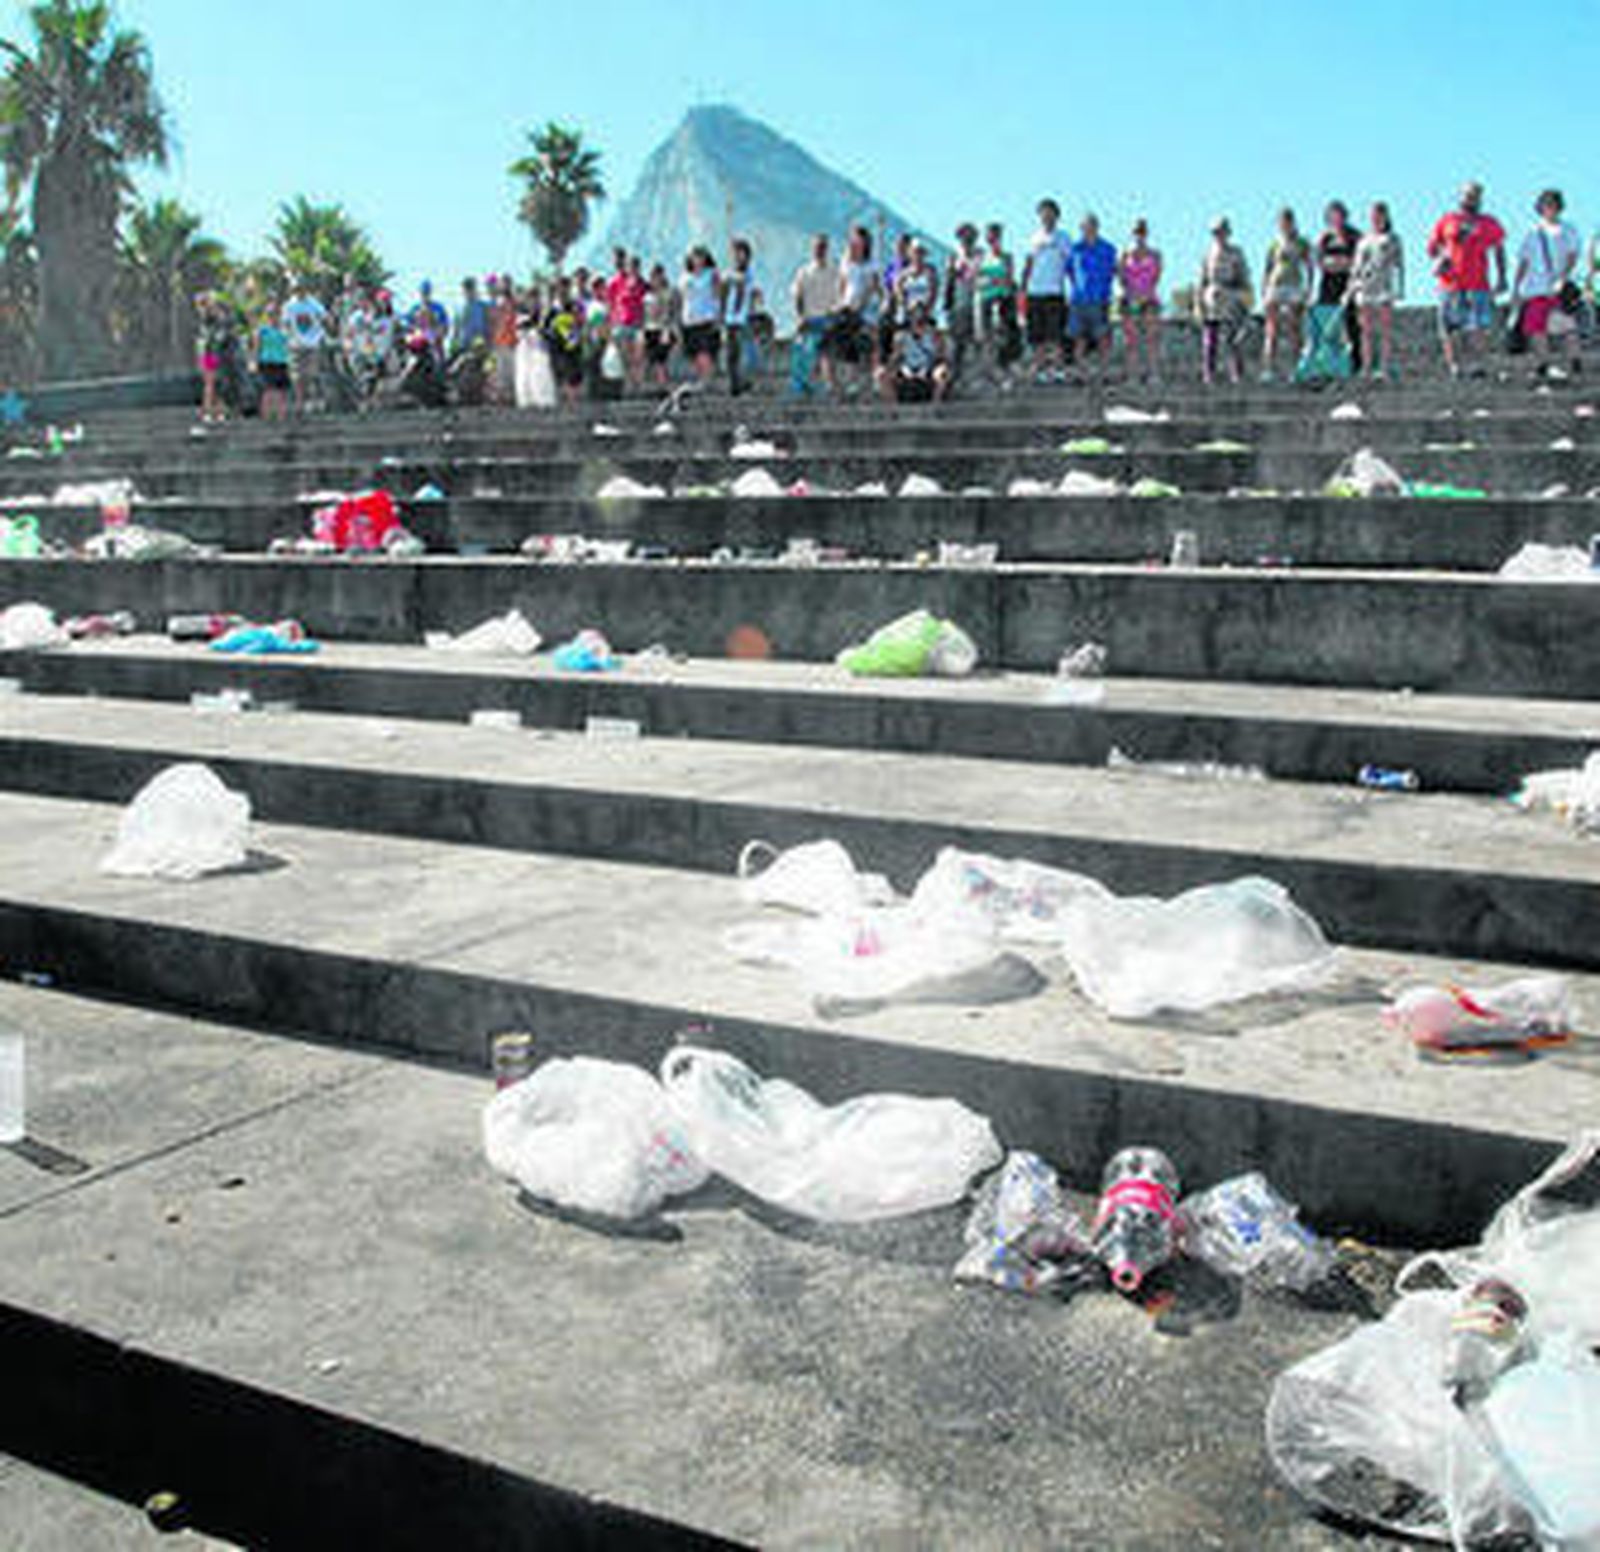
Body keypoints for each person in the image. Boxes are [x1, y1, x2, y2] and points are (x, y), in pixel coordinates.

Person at [1427, 181, 1507, 377]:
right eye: (1468, 194)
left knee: (1477, 327)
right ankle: (1454, 365)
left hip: (1478, 282)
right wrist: (1440, 259)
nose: (1471, 198)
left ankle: (1476, 365)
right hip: (1450, 282)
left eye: (1475, 195)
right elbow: (1432, 247)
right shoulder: (1447, 220)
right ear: (1460, 196)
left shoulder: (1489, 222)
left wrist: (1502, 276)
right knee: (1450, 327)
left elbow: (1499, 249)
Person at [1512, 189, 1583, 379]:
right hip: (1535, 288)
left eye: (1553, 204)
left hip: (1557, 287)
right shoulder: (1532, 232)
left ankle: (1575, 363)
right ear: (1540, 207)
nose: (1550, 208)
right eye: (1546, 204)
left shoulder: (1568, 229)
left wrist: (1563, 277)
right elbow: (1524, 261)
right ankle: (1543, 364)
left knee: (1566, 326)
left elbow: (1573, 255)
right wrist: (1517, 287)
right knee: (1536, 328)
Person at [1349, 202, 1405, 380]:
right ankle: (1366, 367)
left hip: (1384, 286)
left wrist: (1399, 287)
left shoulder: (1392, 238)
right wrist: (1352, 286)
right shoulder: (1364, 240)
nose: (1377, 218)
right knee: (1365, 330)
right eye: (1374, 215)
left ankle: (1384, 367)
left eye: (1380, 215)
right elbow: (1357, 266)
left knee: (1384, 329)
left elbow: (1399, 265)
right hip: (1365, 287)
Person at [1021, 198, 1072, 382]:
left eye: (1050, 213)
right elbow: (1028, 265)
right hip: (1035, 292)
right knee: (1037, 336)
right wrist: (1023, 290)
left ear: (1057, 216)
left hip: (1055, 291)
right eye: (1043, 213)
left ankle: (1058, 370)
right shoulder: (1034, 238)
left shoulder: (1064, 237)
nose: (1047, 217)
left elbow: (1070, 265)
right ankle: (1041, 371)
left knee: (1056, 335)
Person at [1197, 217, 1251, 385]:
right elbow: (1202, 280)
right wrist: (1199, 303)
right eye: (1216, 232)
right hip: (1212, 299)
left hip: (1231, 298)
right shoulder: (1208, 254)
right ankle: (1209, 374)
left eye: (1222, 231)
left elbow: (1244, 277)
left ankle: (1236, 374)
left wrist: (1242, 299)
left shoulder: (1236, 253)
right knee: (1210, 339)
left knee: (1232, 340)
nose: (1219, 235)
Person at [1260, 208, 1311, 380]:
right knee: (1272, 329)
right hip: (1276, 285)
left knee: (1294, 328)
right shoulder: (1274, 243)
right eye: (1282, 221)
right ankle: (1268, 368)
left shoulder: (1302, 242)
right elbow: (1267, 268)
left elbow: (1309, 266)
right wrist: (1264, 290)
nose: (1285, 225)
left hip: (1294, 285)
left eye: (1288, 221)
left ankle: (1295, 368)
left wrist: (1308, 288)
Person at [831, 224, 881, 394]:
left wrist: (863, 303)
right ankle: (852, 381)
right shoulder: (846, 261)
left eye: (859, 239)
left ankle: (875, 379)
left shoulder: (871, 262)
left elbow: (873, 285)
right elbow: (842, 284)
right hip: (849, 306)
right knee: (849, 344)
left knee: (871, 340)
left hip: (867, 306)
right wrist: (841, 303)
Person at [1066, 213, 1117, 380]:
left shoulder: (1108, 249)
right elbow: (1070, 272)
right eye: (1084, 226)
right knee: (1078, 338)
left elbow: (1113, 271)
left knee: (1103, 337)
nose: (1088, 229)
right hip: (1079, 300)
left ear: (1097, 227)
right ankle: (1082, 372)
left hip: (1100, 299)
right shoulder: (1075, 249)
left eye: (1091, 226)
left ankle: (1103, 372)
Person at [1316, 201, 1363, 371]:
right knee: (1327, 321)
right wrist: (1333, 264)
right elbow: (1319, 260)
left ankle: (1356, 362)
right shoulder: (1325, 237)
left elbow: (1359, 260)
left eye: (1339, 215)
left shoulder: (1355, 236)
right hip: (1328, 283)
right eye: (1333, 216)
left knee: (1352, 321)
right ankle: (1330, 361)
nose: (1337, 219)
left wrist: (1343, 264)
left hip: (1349, 283)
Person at [875, 304, 951, 403]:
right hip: (906, 371)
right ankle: (893, 412)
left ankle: (934, 409)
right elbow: (895, 358)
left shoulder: (934, 336)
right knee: (881, 374)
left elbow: (940, 357)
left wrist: (929, 368)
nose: (917, 321)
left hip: (927, 370)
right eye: (914, 317)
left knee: (942, 374)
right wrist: (894, 365)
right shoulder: (901, 337)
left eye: (921, 318)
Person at [790, 232, 835, 397]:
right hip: (809, 318)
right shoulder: (804, 271)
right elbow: (797, 295)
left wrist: (833, 315)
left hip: (827, 318)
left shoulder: (834, 271)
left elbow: (839, 295)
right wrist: (800, 316)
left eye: (822, 247)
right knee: (806, 353)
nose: (819, 250)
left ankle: (826, 385)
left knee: (824, 352)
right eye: (817, 247)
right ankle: (806, 386)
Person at [1117, 219, 1162, 382]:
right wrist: (1132, 294)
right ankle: (1132, 375)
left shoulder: (1155, 254)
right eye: (1136, 232)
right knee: (1131, 341)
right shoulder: (1125, 254)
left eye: (1142, 231)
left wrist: (1144, 293)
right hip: (1130, 299)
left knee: (1152, 339)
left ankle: (1154, 374)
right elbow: (1121, 278)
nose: (1139, 235)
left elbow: (1156, 277)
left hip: (1149, 298)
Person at [976, 221, 1020, 384]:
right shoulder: (981, 257)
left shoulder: (1006, 257)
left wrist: (991, 280)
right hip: (985, 300)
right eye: (990, 236)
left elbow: (1008, 280)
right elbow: (976, 280)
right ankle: (988, 373)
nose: (992, 239)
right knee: (986, 338)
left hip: (1003, 300)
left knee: (1004, 337)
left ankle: (1005, 371)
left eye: (995, 236)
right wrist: (994, 280)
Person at [281, 278, 329, 414]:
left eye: (301, 288)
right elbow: (285, 324)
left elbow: (326, 318)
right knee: (297, 376)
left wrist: (323, 334)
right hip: (295, 344)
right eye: (296, 288)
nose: (299, 291)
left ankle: (313, 401)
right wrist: (288, 338)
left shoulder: (314, 304)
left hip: (312, 343)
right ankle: (300, 403)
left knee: (311, 374)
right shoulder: (289, 305)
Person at [677, 246, 722, 383]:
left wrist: (718, 315)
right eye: (695, 257)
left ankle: (707, 379)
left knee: (705, 351)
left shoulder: (711, 273)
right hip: (689, 319)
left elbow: (717, 294)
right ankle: (701, 377)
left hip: (706, 317)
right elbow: (681, 298)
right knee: (693, 352)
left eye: (701, 257)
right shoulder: (685, 276)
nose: (698, 260)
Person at [944, 223, 981, 384]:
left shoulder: (980, 255)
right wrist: (947, 303)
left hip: (977, 302)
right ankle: (956, 375)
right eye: (962, 236)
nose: (966, 239)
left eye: (969, 236)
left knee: (976, 340)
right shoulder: (954, 256)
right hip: (958, 303)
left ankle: (977, 375)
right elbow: (949, 281)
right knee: (957, 342)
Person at [605, 249, 647, 388]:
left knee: (638, 356)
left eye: (635, 266)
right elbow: (611, 305)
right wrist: (611, 324)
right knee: (626, 357)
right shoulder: (616, 283)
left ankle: (638, 382)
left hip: (638, 323)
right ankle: (629, 383)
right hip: (622, 323)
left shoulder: (642, 283)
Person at [722, 237, 755, 396]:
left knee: (739, 354)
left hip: (740, 319)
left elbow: (741, 286)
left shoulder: (746, 272)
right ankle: (735, 384)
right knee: (731, 355)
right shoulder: (730, 272)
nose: (737, 257)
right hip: (730, 319)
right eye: (736, 254)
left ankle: (740, 383)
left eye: (740, 253)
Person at [195, 293, 231, 423]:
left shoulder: (218, 317)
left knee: (217, 383)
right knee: (210, 384)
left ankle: (218, 412)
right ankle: (209, 412)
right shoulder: (206, 317)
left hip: (217, 353)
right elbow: (206, 338)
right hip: (209, 353)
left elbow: (223, 334)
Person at [255, 300, 290, 421]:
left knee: (281, 392)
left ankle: (281, 416)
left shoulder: (284, 329)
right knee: (268, 391)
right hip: (267, 362)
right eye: (271, 314)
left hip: (281, 361)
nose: (274, 317)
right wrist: (255, 361)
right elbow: (257, 346)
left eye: (276, 314)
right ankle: (266, 416)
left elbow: (288, 345)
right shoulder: (262, 330)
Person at [642, 263, 676, 389]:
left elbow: (669, 313)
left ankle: (663, 384)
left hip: (663, 329)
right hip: (650, 328)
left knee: (660, 359)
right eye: (652, 277)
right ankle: (658, 384)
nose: (655, 280)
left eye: (657, 276)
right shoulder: (647, 296)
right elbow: (645, 314)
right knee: (653, 358)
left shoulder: (667, 293)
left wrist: (667, 330)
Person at [487, 276, 519, 404]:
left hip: (511, 340)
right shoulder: (498, 302)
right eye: (503, 284)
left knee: (511, 370)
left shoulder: (515, 301)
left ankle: (511, 396)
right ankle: (501, 396)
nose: (504, 286)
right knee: (500, 370)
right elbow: (493, 321)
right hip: (499, 339)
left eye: (507, 284)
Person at [452, 276, 490, 358]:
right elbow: (456, 327)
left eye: (471, 288)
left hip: (480, 346)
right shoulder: (459, 307)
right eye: (466, 289)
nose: (469, 292)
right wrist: (454, 343)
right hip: (463, 346)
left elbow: (488, 324)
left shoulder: (483, 306)